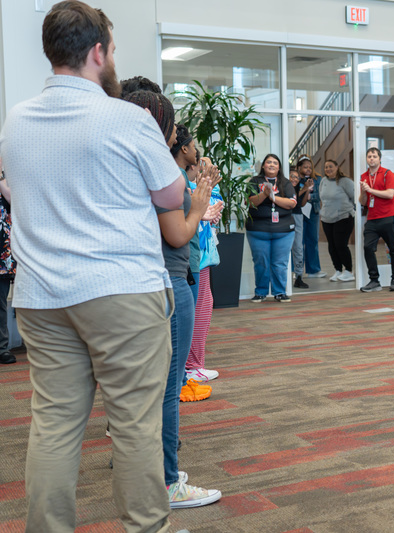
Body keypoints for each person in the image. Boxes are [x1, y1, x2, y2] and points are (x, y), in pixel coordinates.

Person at [0, 2, 187, 529]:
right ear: (98, 51)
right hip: (120, 292)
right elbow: (172, 194)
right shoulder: (126, 117)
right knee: (133, 427)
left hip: (40, 297)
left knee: (54, 427)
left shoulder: (17, 120)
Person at [123, 103, 220, 507]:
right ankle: (164, 483)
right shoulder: (158, 168)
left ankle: (154, 475)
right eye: (177, 129)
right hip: (167, 278)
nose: (181, 136)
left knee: (146, 385)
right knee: (167, 386)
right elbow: (179, 234)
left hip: (147, 280)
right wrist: (198, 207)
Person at [187, 156, 224, 382]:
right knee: (196, 309)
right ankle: (192, 366)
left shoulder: (197, 187)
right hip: (195, 258)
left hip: (205, 257)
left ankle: (194, 364)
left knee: (204, 306)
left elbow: (214, 214)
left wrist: (210, 185)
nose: (207, 165)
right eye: (201, 161)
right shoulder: (184, 187)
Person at [247, 154, 298, 302]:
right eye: (268, 162)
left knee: (280, 263)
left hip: (283, 231)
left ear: (279, 167)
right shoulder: (255, 181)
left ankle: (279, 292)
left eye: (275, 163)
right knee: (260, 262)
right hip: (258, 231)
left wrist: (273, 198)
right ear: (263, 166)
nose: (271, 165)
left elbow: (291, 203)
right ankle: (261, 292)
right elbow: (250, 202)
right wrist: (264, 194)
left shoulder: (285, 183)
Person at [360, 147, 394, 292]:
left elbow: (390, 194)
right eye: (369, 156)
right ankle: (374, 280)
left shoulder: (387, 174)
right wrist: (365, 192)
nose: (371, 159)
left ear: (379, 159)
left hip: (388, 217)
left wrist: (371, 190)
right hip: (372, 218)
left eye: (374, 156)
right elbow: (363, 201)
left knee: (393, 248)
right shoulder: (364, 176)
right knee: (367, 247)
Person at [320, 159, 356, 282]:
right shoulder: (323, 181)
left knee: (341, 244)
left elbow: (354, 197)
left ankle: (349, 271)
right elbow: (322, 197)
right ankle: (338, 270)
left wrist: (350, 209)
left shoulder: (345, 181)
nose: (328, 169)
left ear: (337, 167)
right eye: (326, 167)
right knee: (332, 246)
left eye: (330, 166)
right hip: (326, 218)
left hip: (343, 217)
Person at [297, 154, 325, 278]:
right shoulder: (295, 178)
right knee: (298, 241)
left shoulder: (317, 178)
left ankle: (313, 270)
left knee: (312, 240)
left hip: (313, 211)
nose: (308, 169)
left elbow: (320, 195)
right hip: (299, 211)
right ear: (299, 168)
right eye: (305, 167)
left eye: (310, 167)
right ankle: (297, 270)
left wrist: (309, 197)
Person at [0, 159, 15, 365]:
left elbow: (14, 200)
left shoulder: (6, 181)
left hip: (2, 256)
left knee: (1, 304)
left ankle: (2, 348)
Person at [290, 167, 311, 288]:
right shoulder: (285, 186)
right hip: (285, 216)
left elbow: (301, 203)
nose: (294, 179)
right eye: (292, 176)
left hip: (298, 215)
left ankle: (299, 277)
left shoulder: (299, 187)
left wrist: (307, 189)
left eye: (297, 177)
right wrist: (304, 189)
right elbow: (291, 197)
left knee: (298, 247)